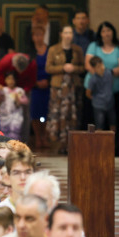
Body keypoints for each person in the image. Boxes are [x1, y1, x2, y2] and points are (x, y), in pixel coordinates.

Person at [83, 22, 119, 153]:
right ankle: (94, 147)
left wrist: (108, 73)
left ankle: (113, 147)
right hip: (96, 93)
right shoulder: (94, 46)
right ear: (100, 34)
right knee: (97, 121)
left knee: (113, 120)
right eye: (103, 31)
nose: (106, 33)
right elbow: (88, 64)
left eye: (109, 30)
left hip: (112, 92)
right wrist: (99, 75)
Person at [46, 25, 85, 154]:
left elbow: (82, 67)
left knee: (72, 114)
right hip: (58, 87)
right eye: (66, 32)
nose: (68, 35)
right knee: (57, 114)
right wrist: (63, 67)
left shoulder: (77, 50)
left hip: (73, 87)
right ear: (61, 34)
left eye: (70, 33)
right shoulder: (53, 49)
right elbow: (48, 68)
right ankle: (58, 143)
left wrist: (74, 68)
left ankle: (71, 144)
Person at [0, 70, 28, 140]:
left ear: (16, 80)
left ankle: (14, 143)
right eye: (8, 79)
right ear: (5, 80)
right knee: (4, 131)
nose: (11, 81)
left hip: (16, 115)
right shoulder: (3, 90)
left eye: (12, 79)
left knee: (15, 130)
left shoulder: (19, 90)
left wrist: (19, 100)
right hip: (5, 114)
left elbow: (25, 101)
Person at [87, 56, 116, 130]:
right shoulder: (93, 79)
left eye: (102, 65)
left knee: (113, 122)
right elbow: (88, 92)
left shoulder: (108, 73)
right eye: (98, 67)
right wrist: (95, 99)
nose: (102, 68)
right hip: (98, 105)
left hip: (110, 102)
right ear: (94, 68)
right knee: (99, 124)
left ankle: (113, 137)